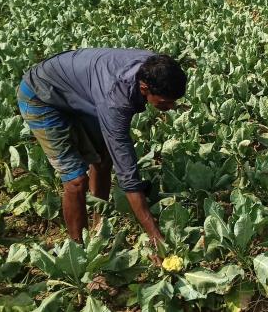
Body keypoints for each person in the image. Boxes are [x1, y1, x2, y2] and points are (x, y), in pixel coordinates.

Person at [17, 48, 187, 263]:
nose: (171, 108)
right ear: (144, 88)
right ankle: (78, 255)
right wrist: (156, 237)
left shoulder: (154, 67)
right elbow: (128, 177)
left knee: (103, 158)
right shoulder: (116, 100)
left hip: (80, 92)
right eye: (165, 102)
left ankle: (99, 225)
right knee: (76, 181)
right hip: (41, 95)